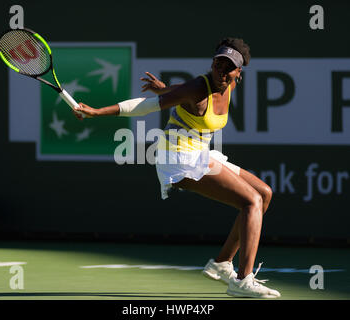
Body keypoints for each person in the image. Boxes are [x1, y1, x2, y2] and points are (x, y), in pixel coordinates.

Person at [73, 37, 281, 298]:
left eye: (229, 67)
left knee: (264, 194)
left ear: (239, 72)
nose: (221, 71)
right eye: (218, 63)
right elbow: (145, 106)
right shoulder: (198, 86)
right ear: (213, 63)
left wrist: (164, 89)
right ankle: (242, 280)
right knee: (251, 201)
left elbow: (178, 91)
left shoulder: (227, 86)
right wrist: (97, 112)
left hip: (200, 152)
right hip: (178, 158)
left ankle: (221, 264)